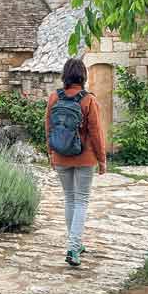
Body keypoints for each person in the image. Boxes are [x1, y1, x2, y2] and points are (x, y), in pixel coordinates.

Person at [46, 58, 106, 267]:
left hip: (61, 155)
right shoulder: (88, 100)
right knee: (81, 201)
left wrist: (51, 154)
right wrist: (102, 160)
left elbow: (49, 128)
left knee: (70, 199)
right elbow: (96, 133)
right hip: (84, 157)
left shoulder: (54, 97)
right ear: (83, 76)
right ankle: (73, 247)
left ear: (65, 76)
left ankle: (75, 244)